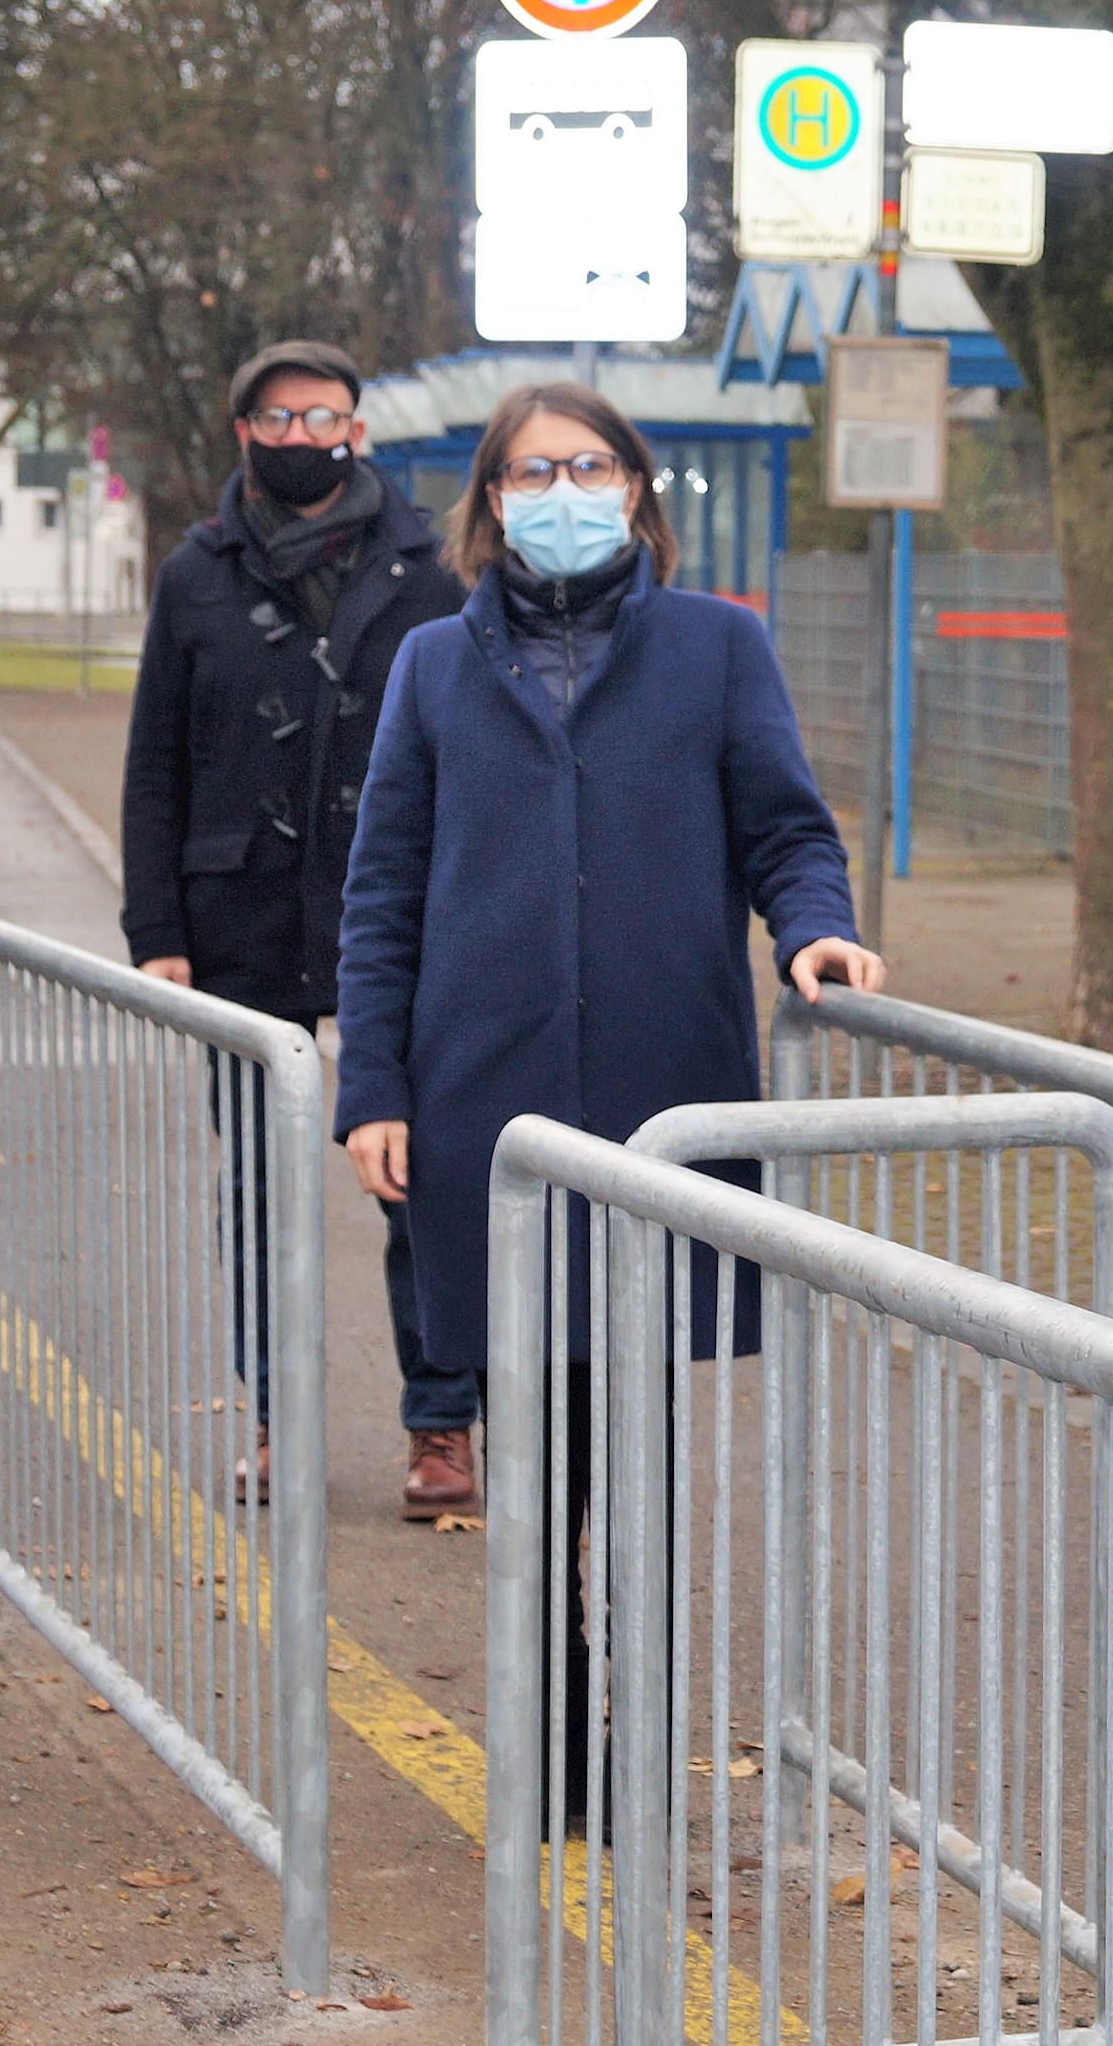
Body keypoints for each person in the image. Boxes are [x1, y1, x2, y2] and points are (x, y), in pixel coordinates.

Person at [331, 375, 878, 1566]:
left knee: (637, 1429)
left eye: (590, 467)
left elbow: (783, 827)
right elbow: (383, 892)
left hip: (659, 1087)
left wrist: (812, 927)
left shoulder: (717, 645)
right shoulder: (432, 665)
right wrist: (370, 1083)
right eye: (533, 471)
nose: (563, 491)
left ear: (632, 490)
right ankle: (554, 1723)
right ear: (491, 498)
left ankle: (637, 1709)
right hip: (486, 1093)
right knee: (523, 1429)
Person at [119, 339, 477, 1519]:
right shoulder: (196, 572)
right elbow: (155, 762)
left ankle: (440, 1423)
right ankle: (278, 1415)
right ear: (244, 435)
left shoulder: (431, 571)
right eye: (276, 420)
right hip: (239, 916)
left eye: (322, 417)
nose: (301, 438)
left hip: (396, 918)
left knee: (414, 1178)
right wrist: (155, 925)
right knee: (261, 1189)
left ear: (356, 429)